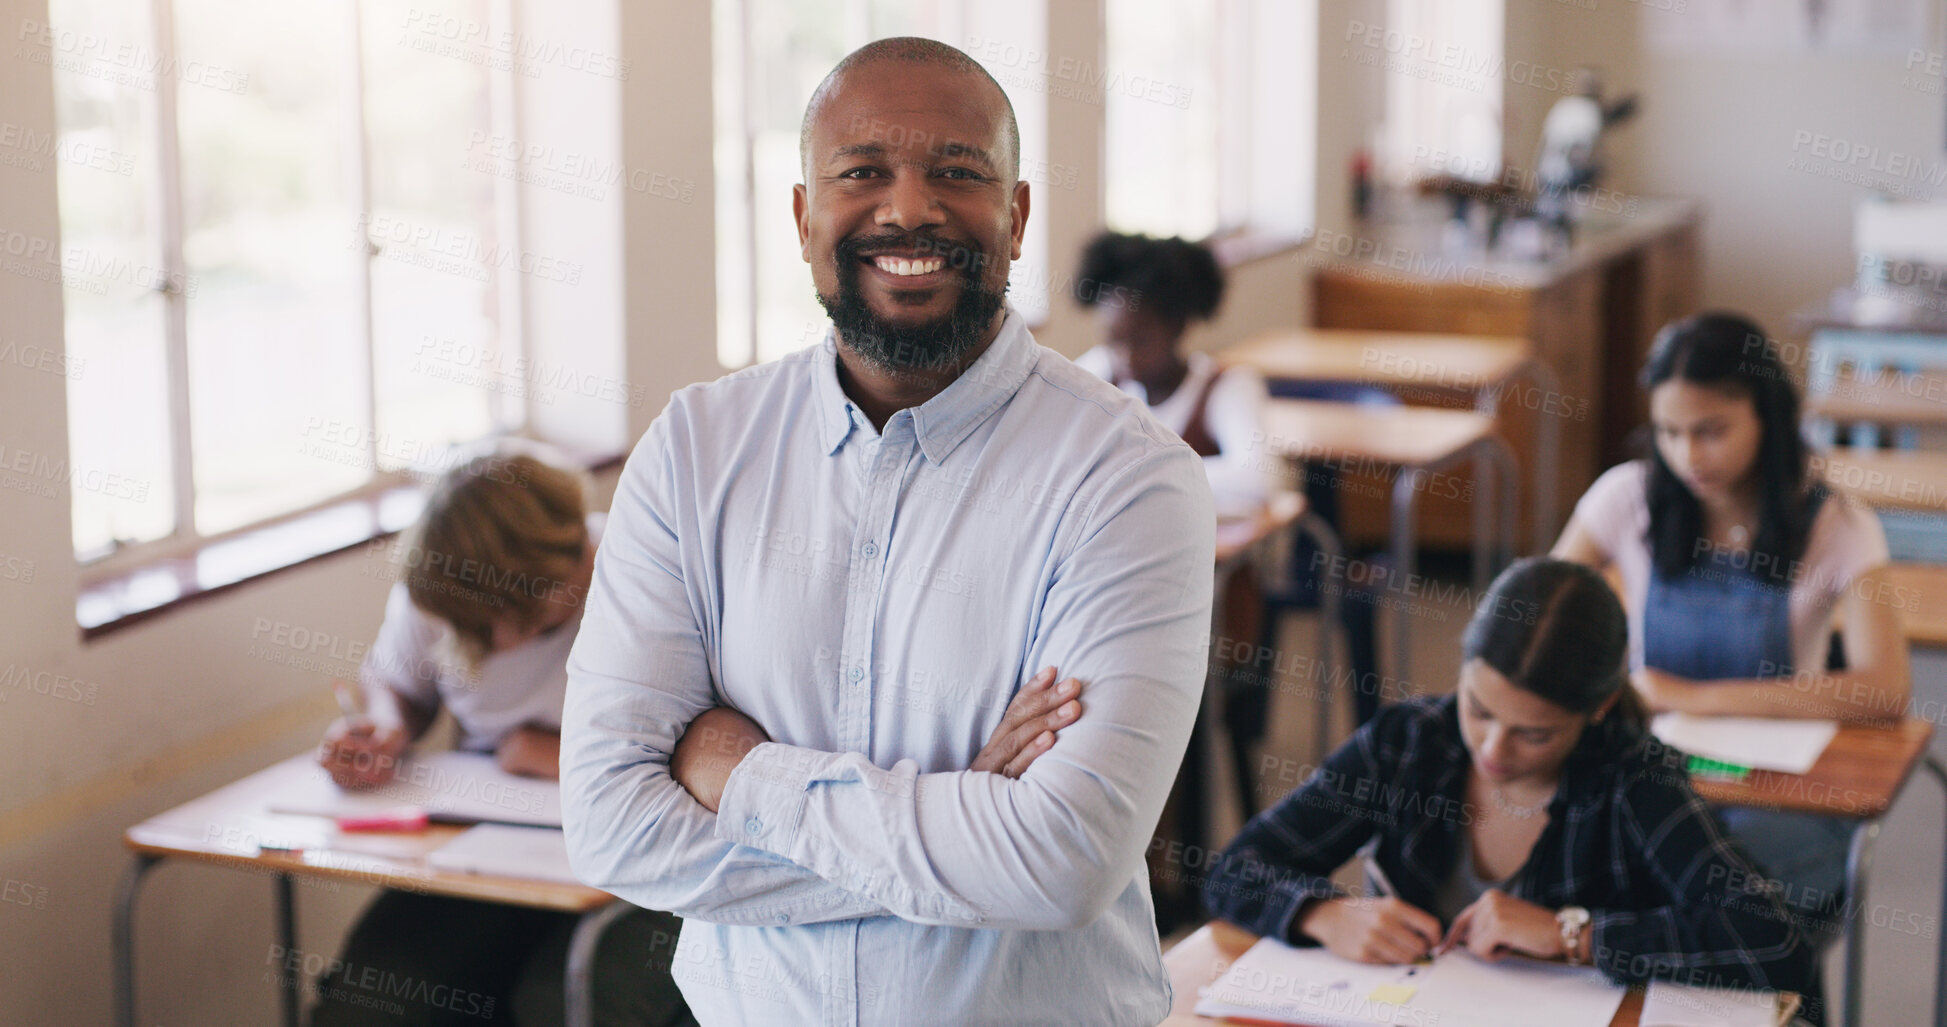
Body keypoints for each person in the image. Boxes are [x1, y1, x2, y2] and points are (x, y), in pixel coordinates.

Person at [560, 37, 1215, 1027]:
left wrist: (742, 772)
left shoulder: (1130, 475)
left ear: (1017, 214)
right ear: (804, 215)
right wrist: (961, 817)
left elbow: (1061, 862)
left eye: (957, 172)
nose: (909, 209)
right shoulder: (694, 450)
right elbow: (612, 827)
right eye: (863, 173)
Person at [1202, 558, 1819, 1012]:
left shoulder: (1634, 776)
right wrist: (1321, 912)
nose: (1493, 749)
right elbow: (1234, 869)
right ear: (1464, 669)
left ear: (1597, 709)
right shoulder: (1410, 741)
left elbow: (1774, 942)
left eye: (1535, 734)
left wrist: (1572, 936)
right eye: (1479, 708)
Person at [1552, 311, 1910, 938]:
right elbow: (1537, 619)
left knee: (1708, 881)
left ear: (1767, 418)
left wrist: (1695, 697)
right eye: (1668, 431)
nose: (1687, 455)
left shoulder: (1836, 524)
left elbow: (1882, 688)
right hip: (1650, 772)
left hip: (1776, 794)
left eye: (1711, 431)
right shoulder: (1627, 497)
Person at [311, 445, 691, 1027]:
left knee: (557, 1002)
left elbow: (711, 757)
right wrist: (386, 728)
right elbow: (396, 682)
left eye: (483, 624)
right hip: (493, 849)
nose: (466, 638)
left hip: (637, 859)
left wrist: (553, 755)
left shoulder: (647, 573)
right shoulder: (446, 588)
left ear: (559, 580)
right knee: (371, 999)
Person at [1071, 231, 1277, 516]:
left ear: (1178, 328)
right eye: (1113, 340)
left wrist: (1132, 474)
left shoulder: (1227, 388)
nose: (1125, 356)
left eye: (1140, 340)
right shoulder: (1099, 372)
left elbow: (1258, 480)